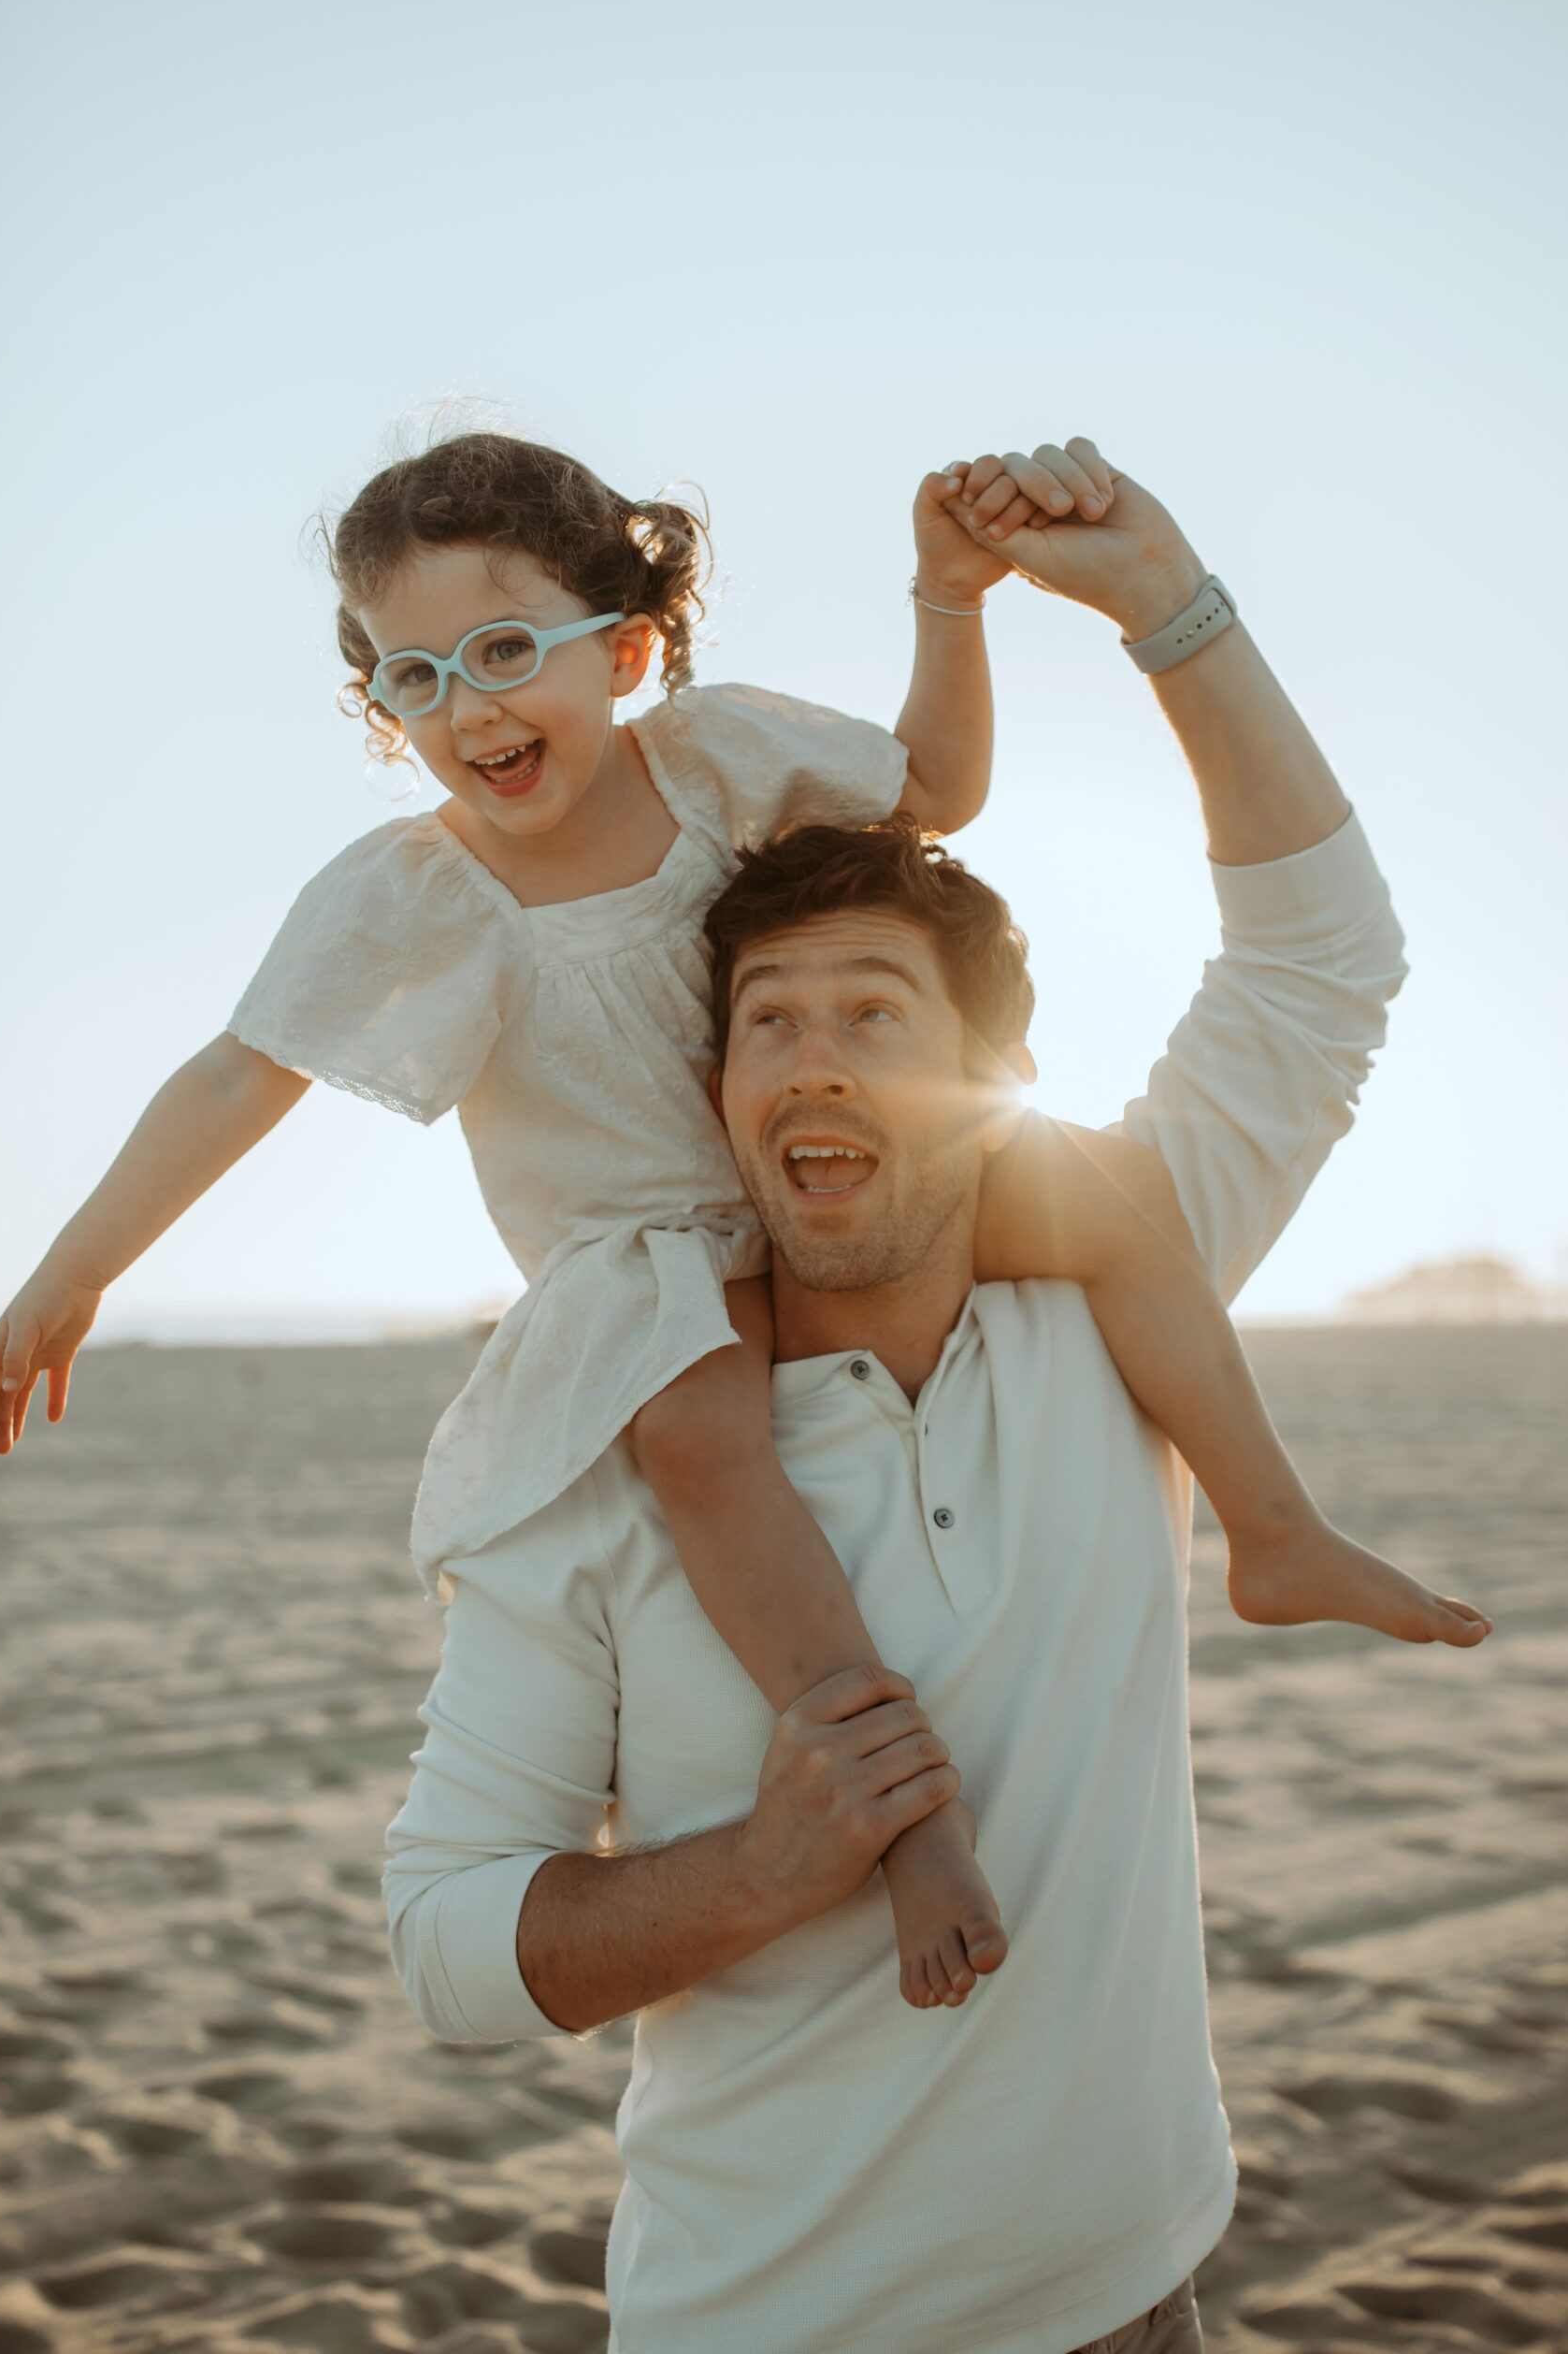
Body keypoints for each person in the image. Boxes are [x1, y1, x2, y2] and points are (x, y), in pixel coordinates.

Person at [0, 433, 1486, 2025]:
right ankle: (911, 1832)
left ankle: (1269, 1527)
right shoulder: (411, 891)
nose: (468, 708)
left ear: (625, 649)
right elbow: (237, 1075)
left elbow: (936, 792)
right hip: (652, 1259)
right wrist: (75, 1268)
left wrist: (949, 597)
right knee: (710, 1455)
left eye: (504, 650)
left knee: (1116, 1199)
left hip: (831, 1183)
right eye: (411, 679)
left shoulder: (710, 763)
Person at [381, 527, 1480, 2350]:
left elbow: (1318, 965)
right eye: (767, 1024)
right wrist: (759, 1869)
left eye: (874, 1019)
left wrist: (1166, 604)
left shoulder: (1121, 1307)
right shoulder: (605, 1447)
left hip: (1138, 2291)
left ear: (981, 1092)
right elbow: (445, 1939)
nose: (812, 1061)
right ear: (716, 1091)